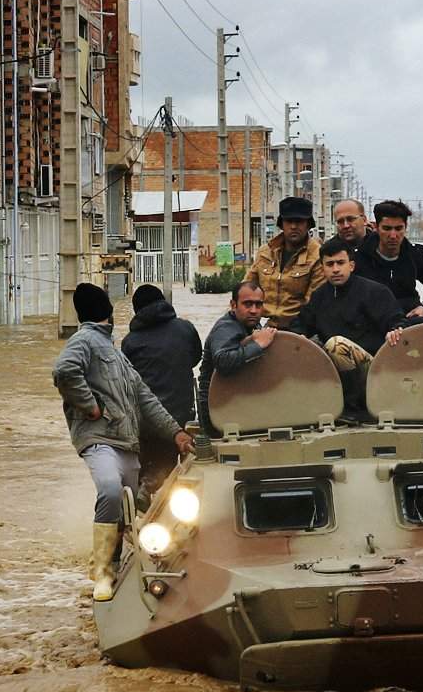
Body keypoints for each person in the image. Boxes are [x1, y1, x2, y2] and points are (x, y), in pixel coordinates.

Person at [53, 283, 193, 601]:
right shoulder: (86, 339)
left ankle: (117, 565)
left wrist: (176, 433)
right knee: (110, 489)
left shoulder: (116, 352)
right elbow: (64, 371)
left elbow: (146, 399)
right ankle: (101, 574)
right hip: (100, 438)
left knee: (128, 508)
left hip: (127, 443)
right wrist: (89, 406)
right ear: (111, 314)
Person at [297, 236, 407, 422]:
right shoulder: (319, 298)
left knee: (336, 345)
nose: (336, 269)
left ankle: (355, 407)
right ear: (322, 268)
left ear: (352, 265)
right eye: (329, 264)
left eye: (340, 263)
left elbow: (397, 321)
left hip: (376, 373)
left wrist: (396, 329)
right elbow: (300, 326)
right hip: (334, 373)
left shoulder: (374, 292)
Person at [122, 284, 203, 495]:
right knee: (187, 477)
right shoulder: (186, 329)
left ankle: (140, 513)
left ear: (136, 310)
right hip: (185, 419)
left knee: (152, 477)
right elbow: (195, 358)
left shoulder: (130, 342)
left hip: (149, 424)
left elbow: (128, 382)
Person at [198, 279, 277, 434]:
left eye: (258, 304)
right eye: (247, 304)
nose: (254, 310)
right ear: (233, 305)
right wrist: (258, 345)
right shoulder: (226, 328)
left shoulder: (253, 326)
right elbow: (223, 361)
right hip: (217, 409)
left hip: (240, 403)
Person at [352, 199, 423, 319]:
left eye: (398, 229)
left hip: (408, 322)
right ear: (376, 227)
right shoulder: (358, 257)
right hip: (370, 325)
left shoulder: (415, 254)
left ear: (405, 228)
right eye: (387, 228)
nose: (393, 235)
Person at [246, 195, 322, 328]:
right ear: (282, 224)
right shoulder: (265, 252)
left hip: (298, 327)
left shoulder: (317, 255)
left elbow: (313, 302)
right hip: (261, 323)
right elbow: (246, 288)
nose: (293, 226)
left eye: (299, 221)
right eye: (288, 221)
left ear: (308, 224)